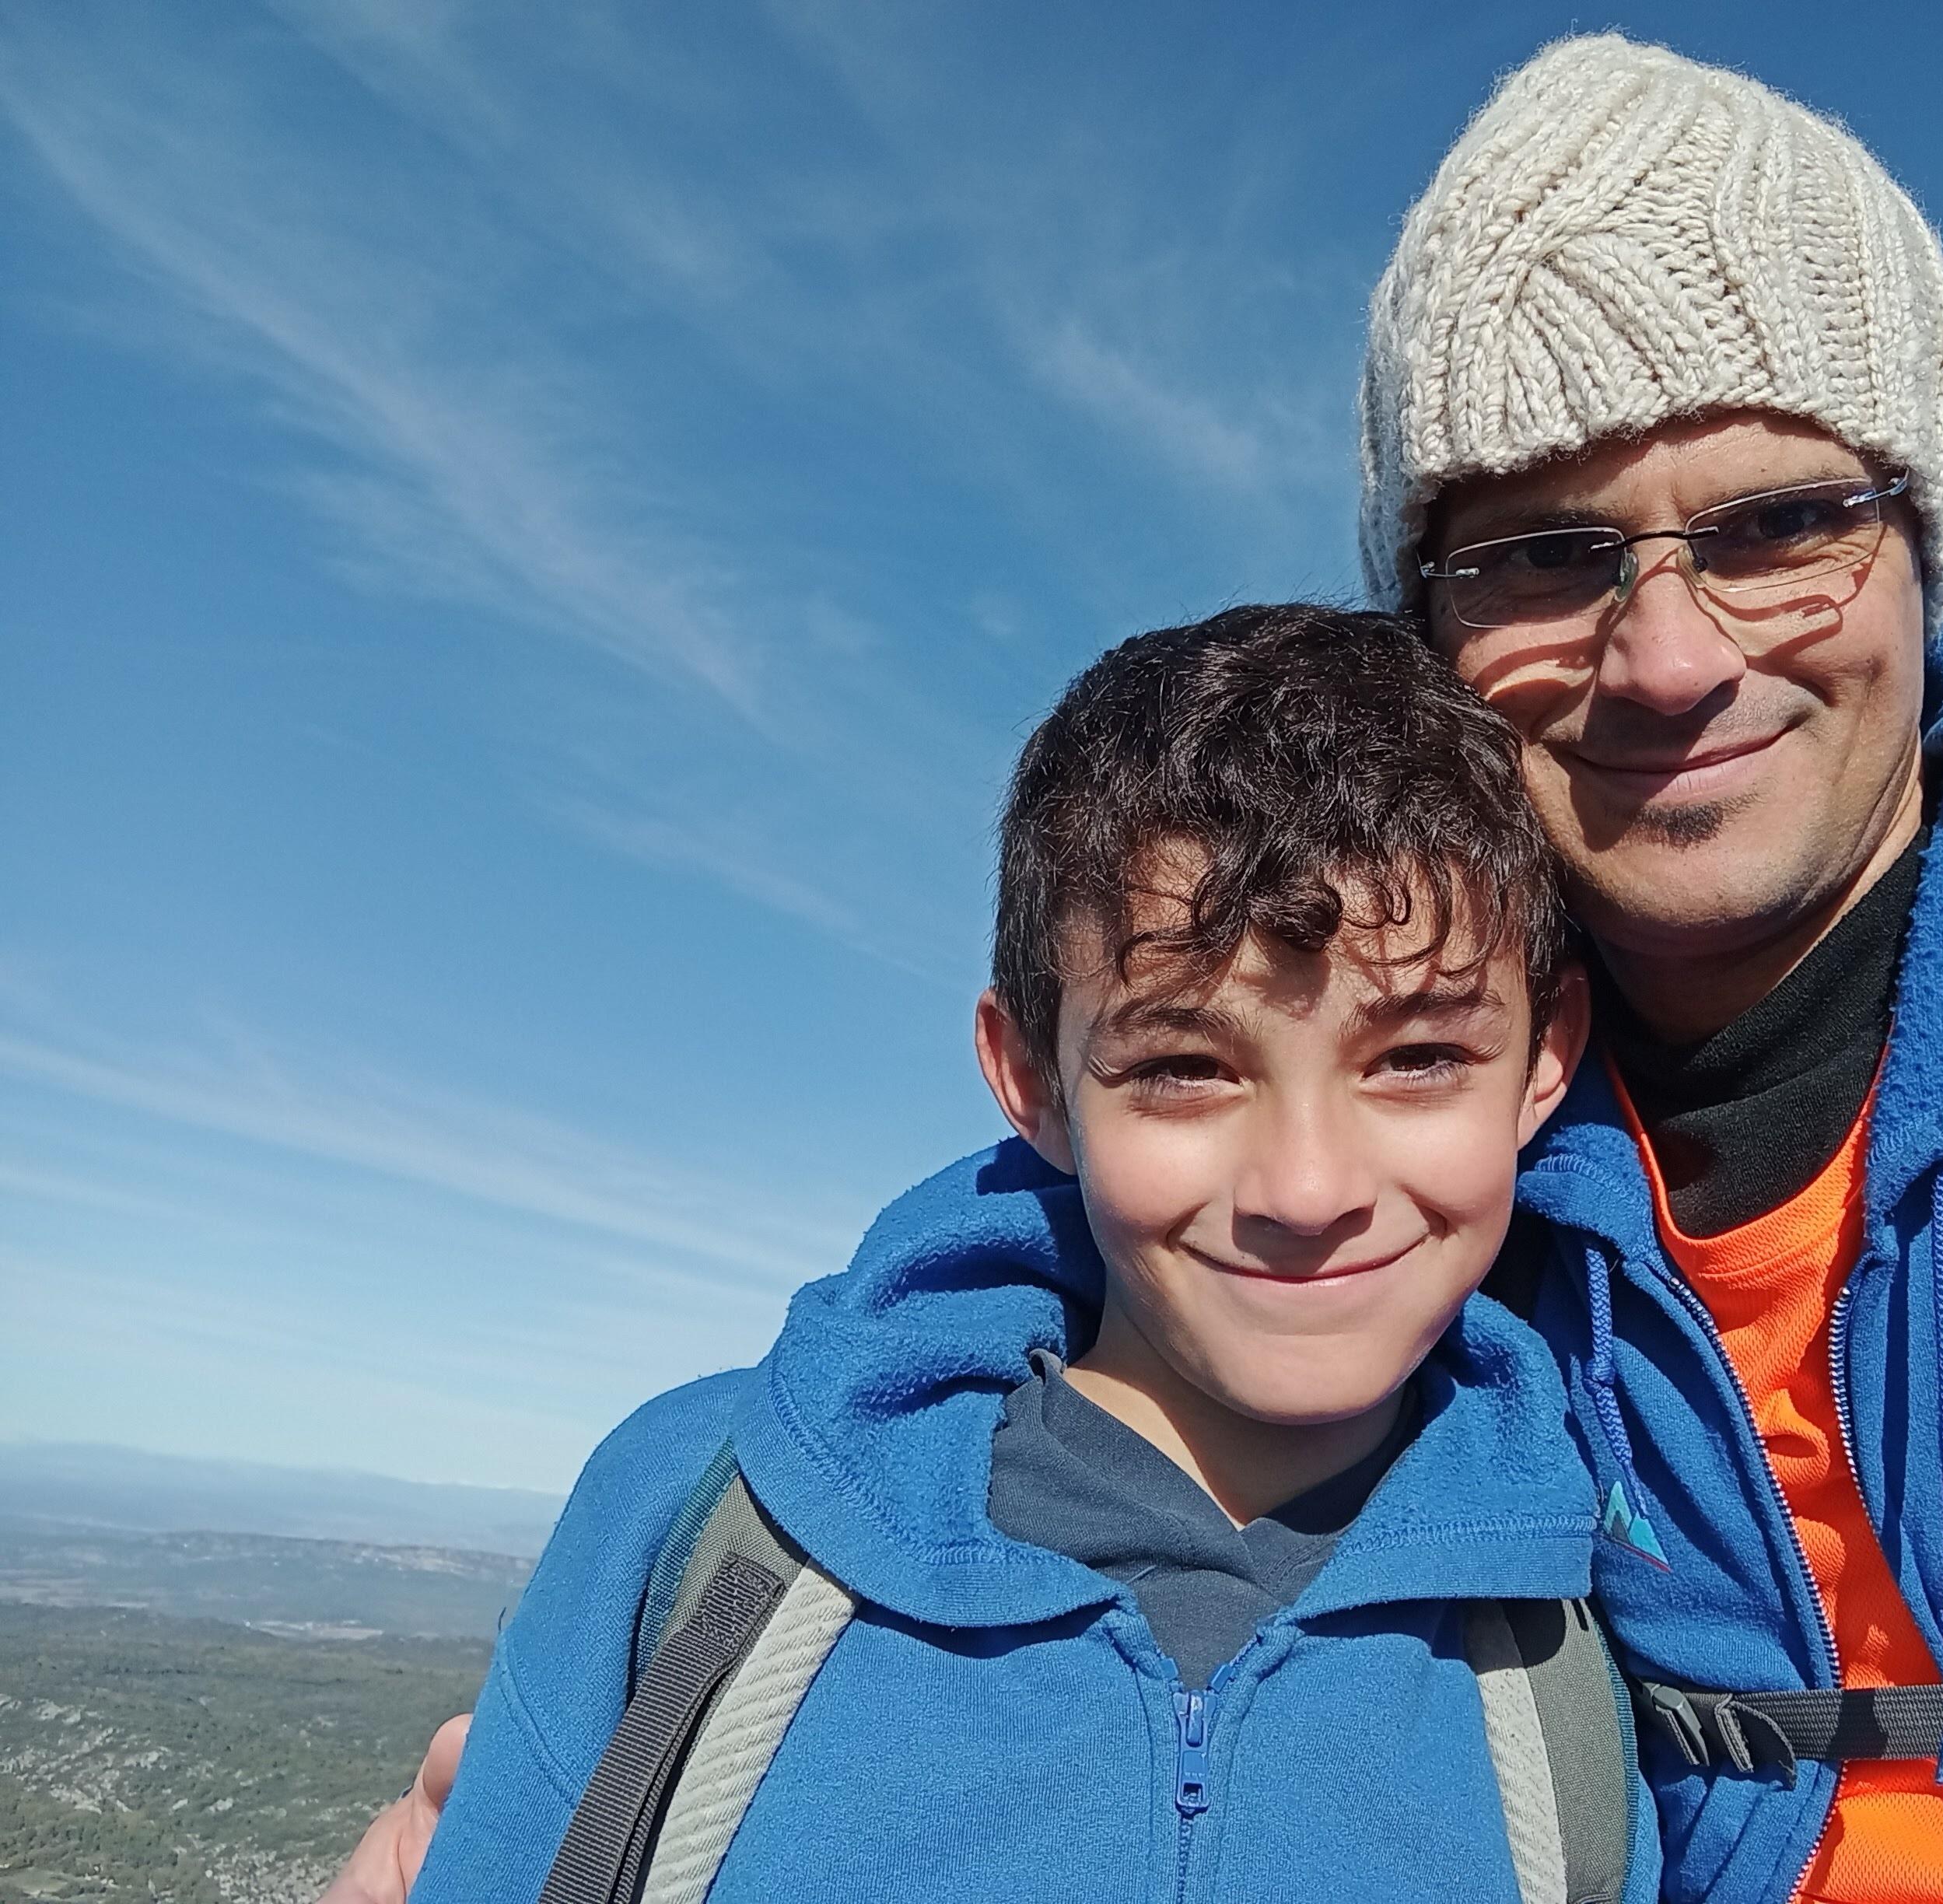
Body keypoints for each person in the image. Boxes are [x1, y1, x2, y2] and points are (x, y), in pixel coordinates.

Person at [342, 30, 1943, 1904]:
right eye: (1546, 554)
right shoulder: (1427, 1227)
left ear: (1921, 537)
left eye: (1780, 523)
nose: (1669, 656)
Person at [399, 604, 1657, 1903]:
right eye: (1183, 1067)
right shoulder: (707, 1516)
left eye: (1420, 1057)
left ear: (1544, 1059)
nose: (1308, 1189)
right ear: (1032, 1082)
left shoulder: (1569, 1636)